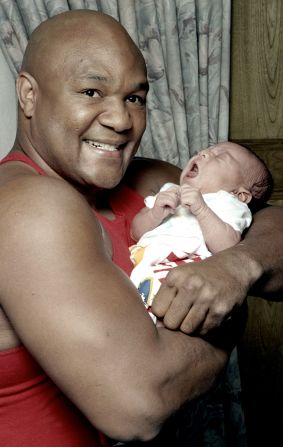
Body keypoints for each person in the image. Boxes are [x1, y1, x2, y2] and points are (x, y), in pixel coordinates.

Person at [0, 9, 282, 447]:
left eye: (135, 98)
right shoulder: (27, 206)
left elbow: (270, 220)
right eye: (92, 91)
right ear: (29, 95)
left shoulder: (148, 181)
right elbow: (140, 404)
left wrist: (237, 267)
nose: (120, 119)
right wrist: (228, 307)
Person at [130, 142, 273, 332]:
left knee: (167, 309)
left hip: (187, 265)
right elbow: (136, 233)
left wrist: (202, 209)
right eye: (202, 151)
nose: (204, 153)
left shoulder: (228, 204)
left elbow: (227, 245)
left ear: (241, 194)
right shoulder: (170, 190)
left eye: (220, 156)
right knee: (131, 305)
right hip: (146, 262)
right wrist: (155, 213)